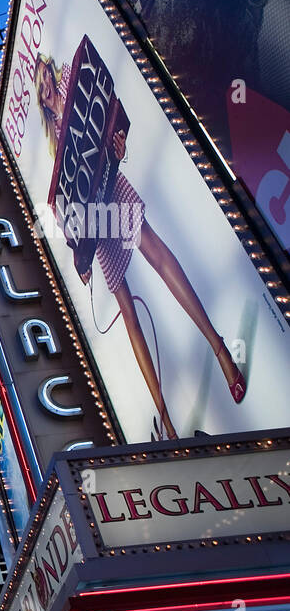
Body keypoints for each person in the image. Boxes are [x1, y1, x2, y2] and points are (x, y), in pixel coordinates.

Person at [35, 53, 245, 440]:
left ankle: (221, 351)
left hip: (112, 188)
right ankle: (166, 420)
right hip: (94, 217)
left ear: (52, 76)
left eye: (47, 83)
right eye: (42, 94)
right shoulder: (54, 143)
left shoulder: (77, 91)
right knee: (127, 310)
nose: (47, 95)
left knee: (158, 256)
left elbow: (110, 111)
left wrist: (118, 143)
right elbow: (67, 203)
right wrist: (81, 255)